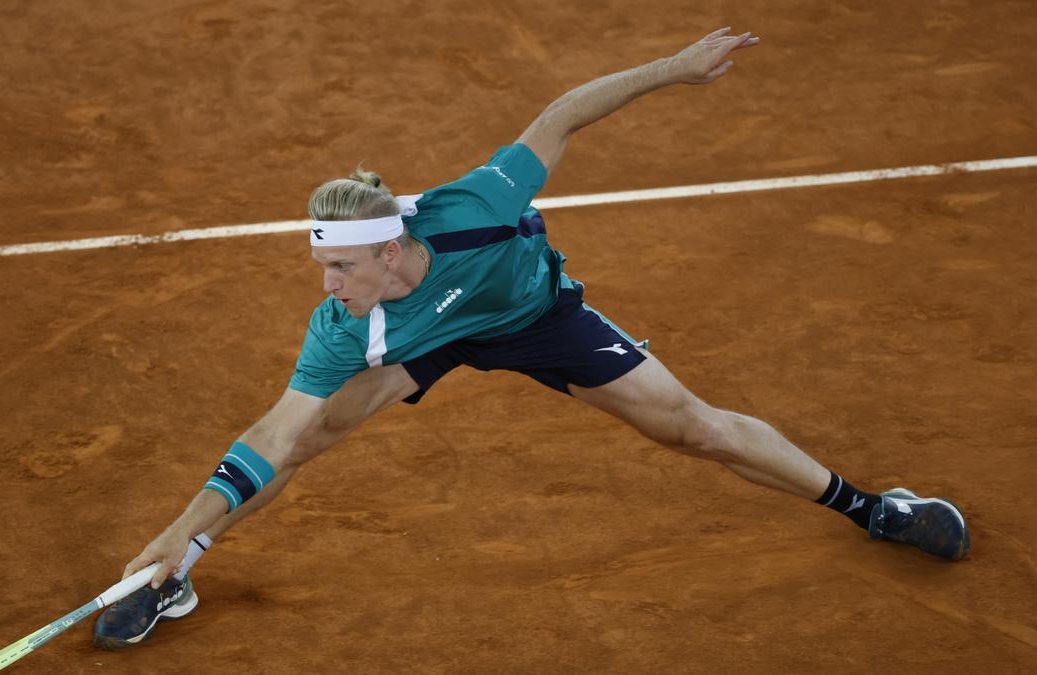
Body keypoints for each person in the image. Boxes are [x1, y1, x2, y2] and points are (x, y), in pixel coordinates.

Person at [93, 27, 969, 650]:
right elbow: (270, 434)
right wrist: (179, 523)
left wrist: (674, 68)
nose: (328, 287)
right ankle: (177, 567)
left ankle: (870, 507)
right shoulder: (351, 323)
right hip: (424, 339)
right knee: (309, 436)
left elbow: (562, 114)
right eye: (325, 271)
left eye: (341, 271)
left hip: (535, 317)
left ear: (393, 248)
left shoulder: (477, 205)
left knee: (692, 427)